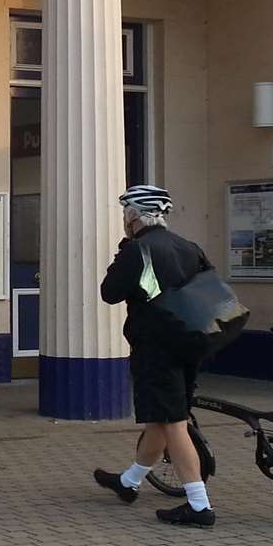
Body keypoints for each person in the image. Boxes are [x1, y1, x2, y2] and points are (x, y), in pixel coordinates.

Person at [91, 185, 219, 528]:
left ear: (133, 216)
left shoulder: (138, 251)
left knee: (174, 423)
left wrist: (126, 252)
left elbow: (110, 293)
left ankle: (198, 504)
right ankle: (129, 482)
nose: (123, 220)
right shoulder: (189, 247)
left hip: (156, 348)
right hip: (191, 346)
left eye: (124, 214)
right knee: (161, 418)